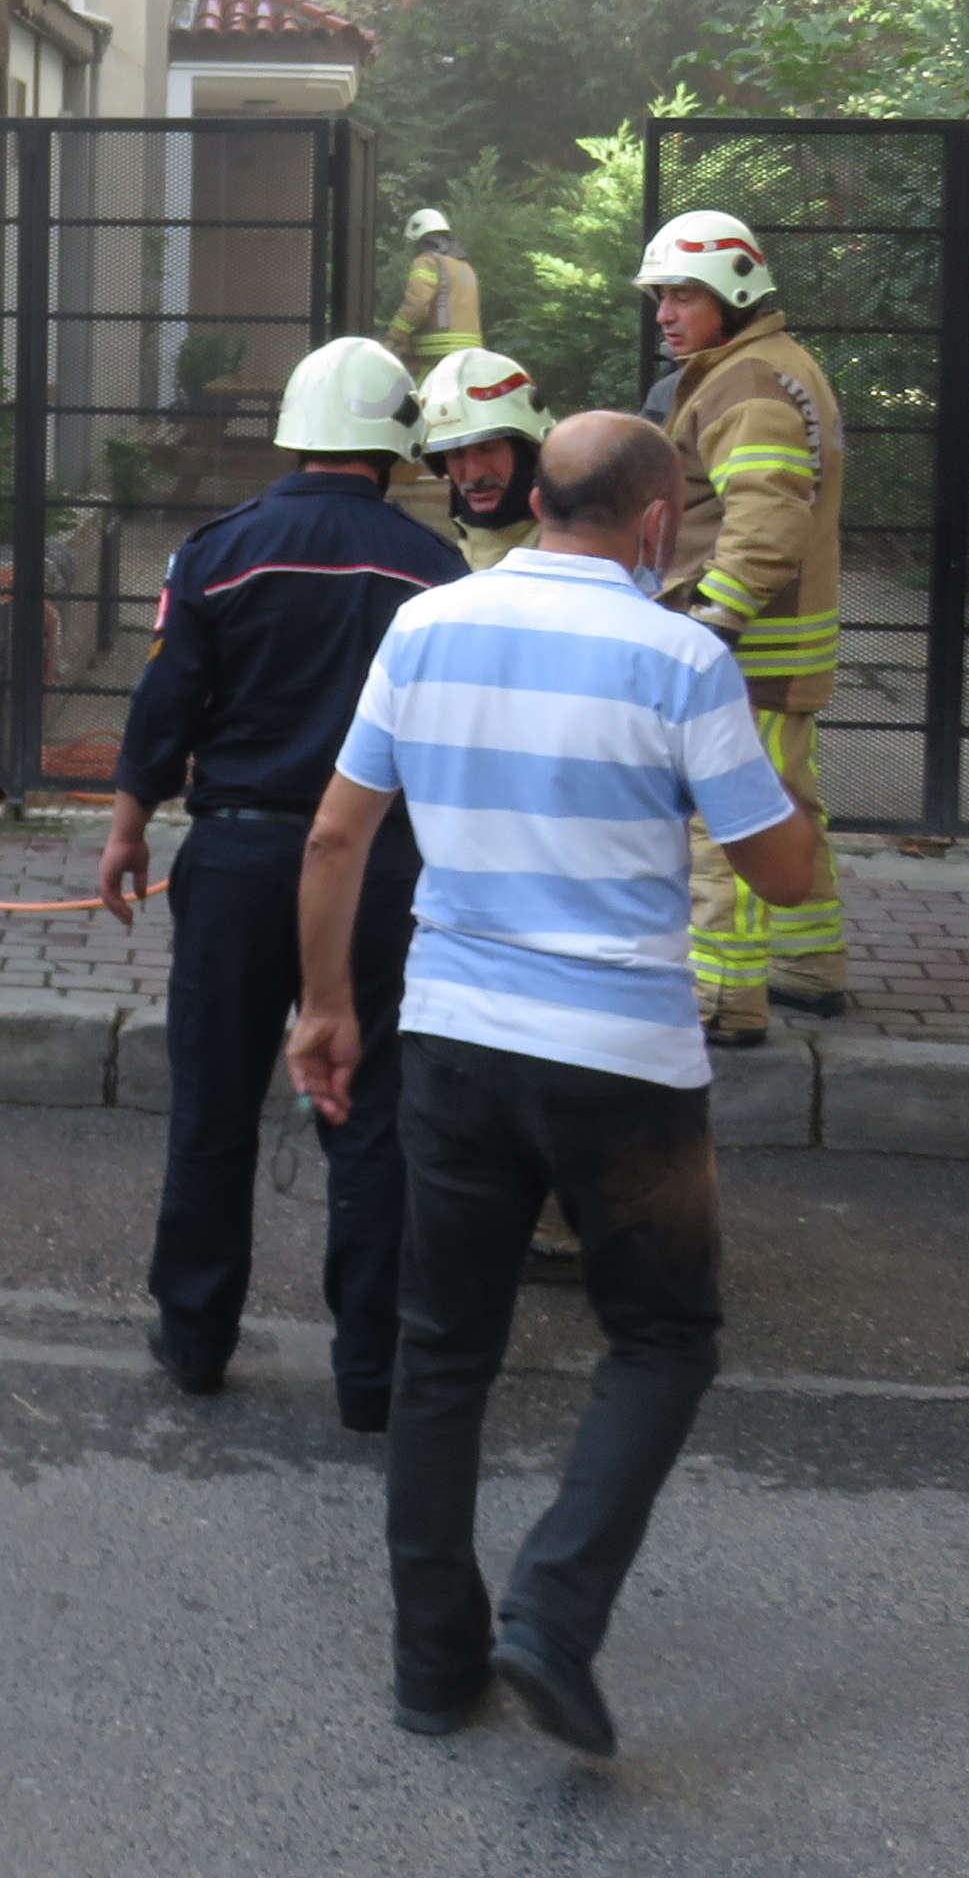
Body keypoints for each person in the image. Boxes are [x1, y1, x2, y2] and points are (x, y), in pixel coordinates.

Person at [287, 412, 823, 1759]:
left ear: (534, 496)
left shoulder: (429, 628)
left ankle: (431, 1667)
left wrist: (333, 1007)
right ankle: (554, 1608)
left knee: (444, 1352)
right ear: (656, 524)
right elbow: (783, 873)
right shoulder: (679, 655)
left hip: (456, 1044)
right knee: (661, 1337)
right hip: (623, 1064)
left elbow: (339, 833)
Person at [96, 336, 460, 1426]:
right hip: (382, 869)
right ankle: (371, 1376)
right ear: (397, 449)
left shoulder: (217, 552)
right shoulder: (437, 573)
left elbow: (167, 709)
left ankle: (196, 1337)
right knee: (376, 1114)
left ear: (295, 432)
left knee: (213, 1101)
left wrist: (126, 827)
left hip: (241, 858)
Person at [637, 210, 849, 1048]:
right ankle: (809, 966)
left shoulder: (747, 383)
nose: (664, 313)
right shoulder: (767, 366)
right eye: (660, 296)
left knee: (723, 823)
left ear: (732, 291)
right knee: (787, 805)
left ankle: (723, 1000)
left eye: (682, 294)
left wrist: (712, 621)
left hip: (745, 647)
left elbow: (765, 516)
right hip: (779, 646)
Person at [416, 346, 547, 570]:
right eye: (456, 454)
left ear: (527, 452)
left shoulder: (578, 556)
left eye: (488, 448)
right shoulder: (432, 566)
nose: (474, 474)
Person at [383, 207, 483, 373]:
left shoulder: (427, 261)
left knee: (419, 397)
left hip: (437, 355)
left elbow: (417, 304)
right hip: (472, 355)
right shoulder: (465, 267)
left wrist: (393, 338)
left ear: (421, 239)